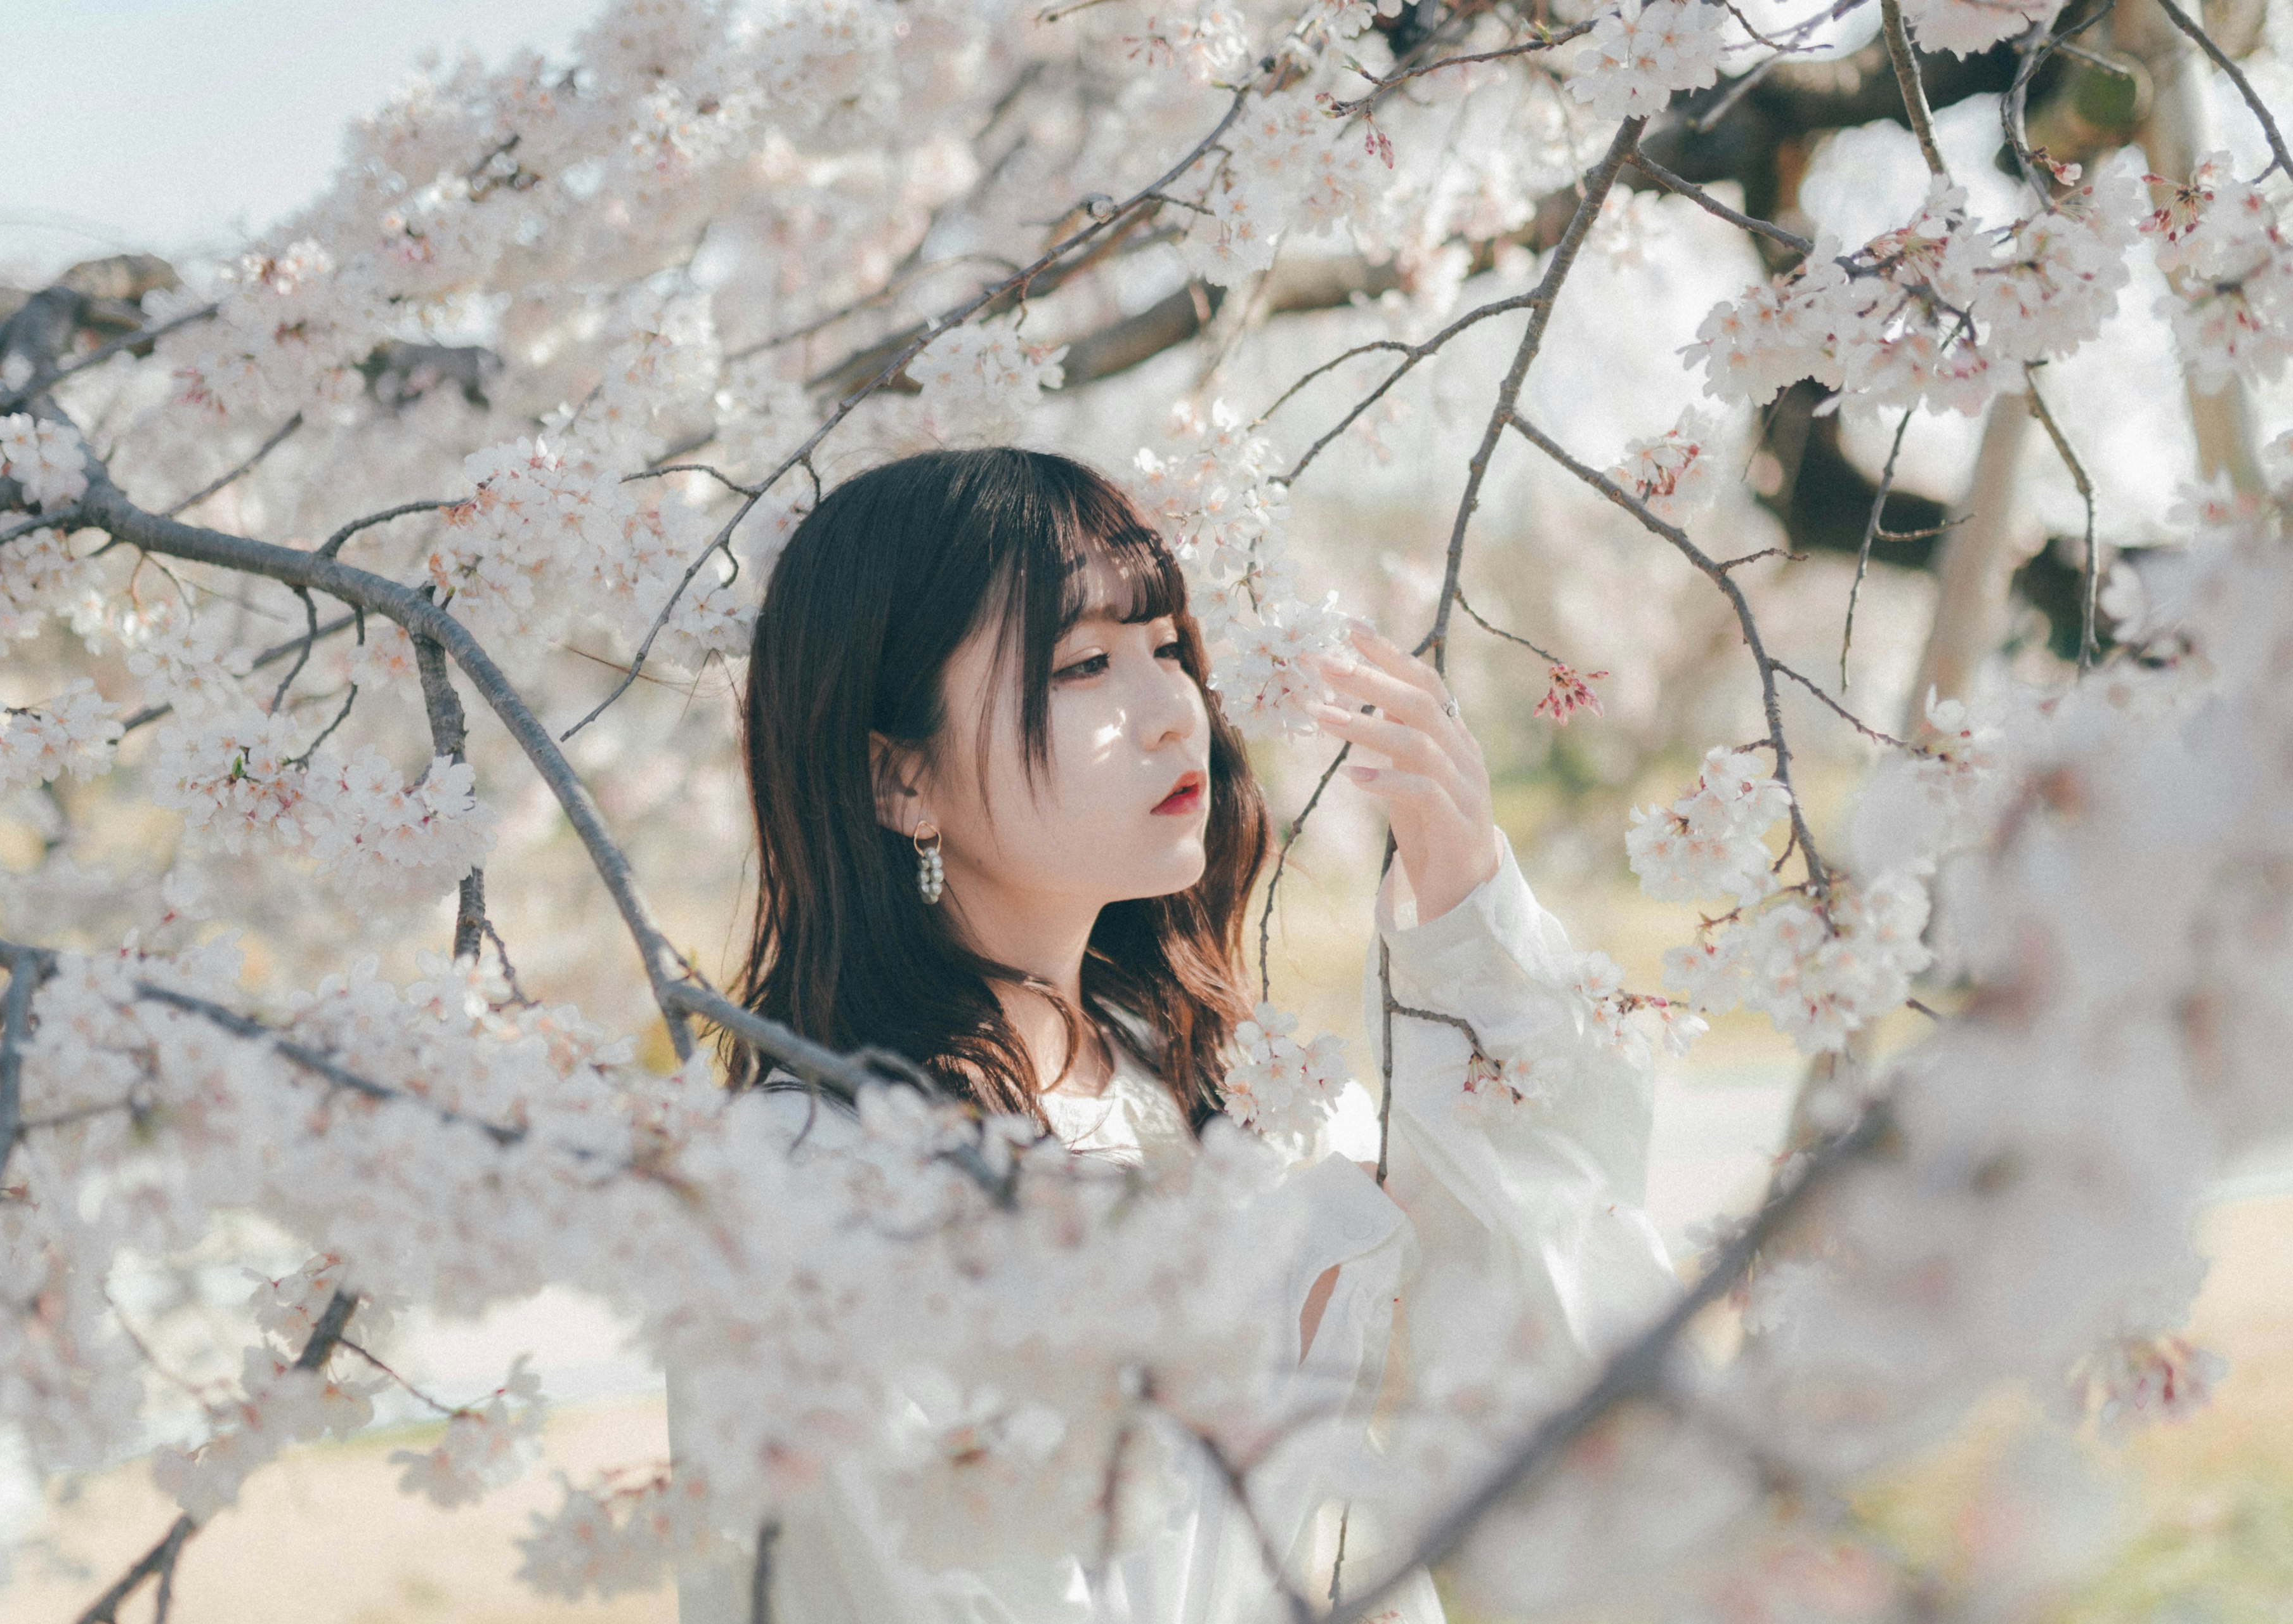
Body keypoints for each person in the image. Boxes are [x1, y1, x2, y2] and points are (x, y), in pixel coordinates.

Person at [684, 446, 1675, 1621]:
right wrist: (1282, 1291)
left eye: (1167, 648)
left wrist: (1463, 911)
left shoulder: (1220, 1088)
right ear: (904, 779)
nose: (1172, 715)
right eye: (1085, 665)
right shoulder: (822, 1184)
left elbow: (1562, 1320)